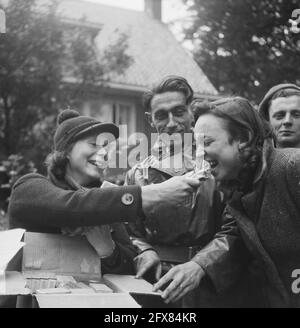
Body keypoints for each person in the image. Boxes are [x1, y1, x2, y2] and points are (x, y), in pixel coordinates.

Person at [8, 109, 201, 276]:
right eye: (93, 145)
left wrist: (108, 250)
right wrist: (151, 194)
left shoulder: (106, 205)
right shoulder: (29, 186)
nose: (104, 153)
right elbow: (72, 205)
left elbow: (129, 265)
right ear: (65, 151)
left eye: (106, 147)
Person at [154, 97, 300, 308]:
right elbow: (235, 235)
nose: (199, 153)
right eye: (197, 145)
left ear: (244, 138)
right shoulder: (239, 183)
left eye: (208, 142)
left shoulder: (293, 167)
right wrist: (198, 266)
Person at [126, 77, 241, 307]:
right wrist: (144, 250)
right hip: (154, 284)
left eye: (178, 111)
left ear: (191, 111)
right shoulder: (136, 175)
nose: (171, 123)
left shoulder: (220, 166)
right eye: (161, 115)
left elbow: (235, 229)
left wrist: (200, 265)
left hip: (208, 283)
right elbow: (128, 231)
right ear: (150, 120)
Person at [259, 83, 300, 148]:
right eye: (279, 116)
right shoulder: (253, 157)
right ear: (267, 121)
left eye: (296, 115)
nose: (287, 121)